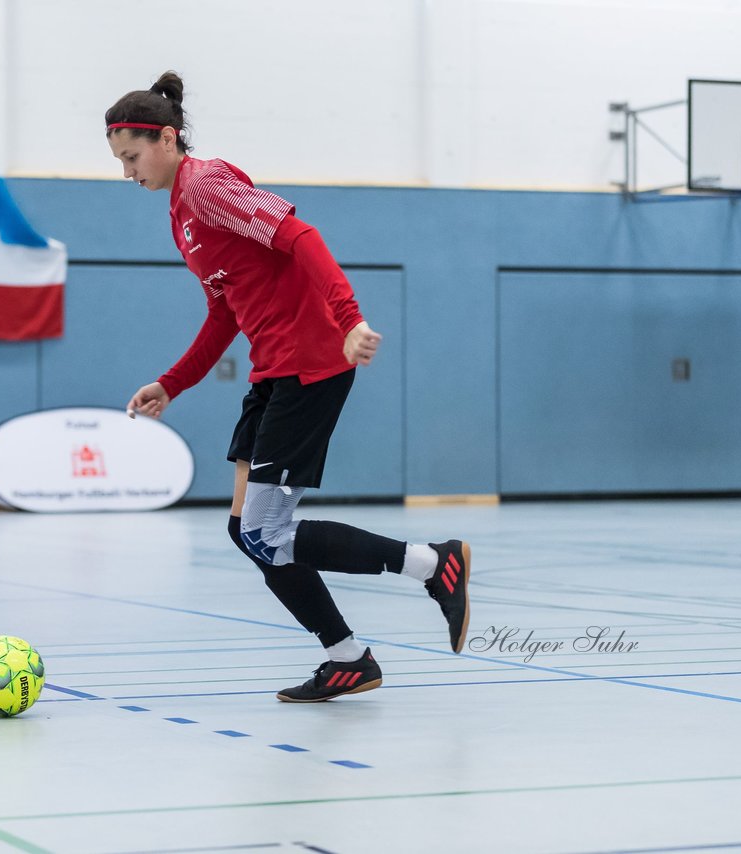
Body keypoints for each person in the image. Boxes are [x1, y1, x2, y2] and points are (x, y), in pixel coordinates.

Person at [108, 72, 472, 702]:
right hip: (272, 369)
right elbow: (226, 311)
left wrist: (349, 319)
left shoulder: (208, 186)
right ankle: (348, 658)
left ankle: (432, 563)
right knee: (245, 532)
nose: (127, 173)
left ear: (166, 138)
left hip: (310, 364)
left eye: (132, 158)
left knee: (266, 535)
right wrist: (174, 383)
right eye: (120, 162)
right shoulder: (179, 213)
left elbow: (300, 236)